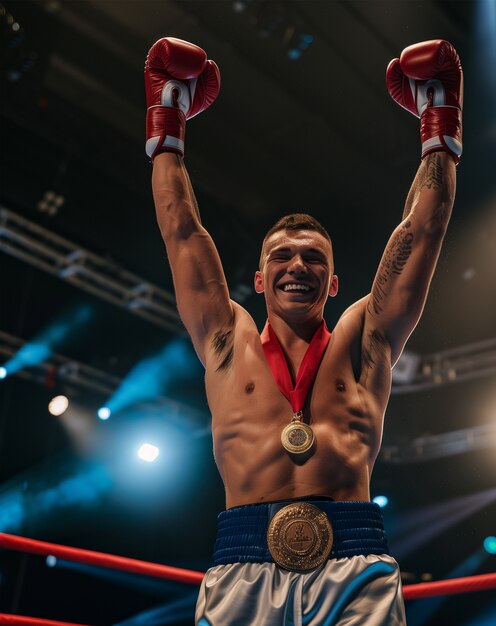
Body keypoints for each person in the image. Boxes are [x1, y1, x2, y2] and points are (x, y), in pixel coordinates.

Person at [146, 35, 461, 626]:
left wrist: (438, 125)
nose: (298, 267)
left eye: (314, 259)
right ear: (260, 280)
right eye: (282, 257)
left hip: (352, 559)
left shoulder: (363, 341)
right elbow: (182, 233)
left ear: (335, 282)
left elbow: (422, 232)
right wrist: (167, 127)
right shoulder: (225, 341)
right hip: (242, 560)